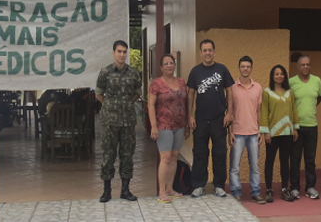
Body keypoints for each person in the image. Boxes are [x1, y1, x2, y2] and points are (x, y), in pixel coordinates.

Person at [187, 39, 235, 198]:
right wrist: (190, 115)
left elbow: (230, 91)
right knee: (199, 153)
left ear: (214, 52)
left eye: (210, 50)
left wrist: (229, 113)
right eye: (204, 50)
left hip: (219, 119)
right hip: (200, 120)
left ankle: (219, 185)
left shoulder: (222, 69)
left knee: (220, 154)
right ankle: (198, 186)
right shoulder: (195, 72)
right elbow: (191, 94)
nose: (207, 53)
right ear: (200, 53)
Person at [95, 40, 142, 203]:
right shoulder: (105, 72)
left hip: (128, 120)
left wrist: (125, 103)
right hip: (110, 121)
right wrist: (111, 106)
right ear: (113, 52)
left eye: (124, 52)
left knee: (127, 155)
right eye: (119, 51)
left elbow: (137, 93)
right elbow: (99, 95)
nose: (122, 55)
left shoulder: (133, 73)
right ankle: (106, 191)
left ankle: (125, 190)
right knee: (108, 154)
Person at [148, 54, 190, 203]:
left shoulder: (181, 82)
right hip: (163, 125)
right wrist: (153, 126)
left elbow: (186, 103)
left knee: (174, 157)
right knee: (165, 158)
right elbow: (151, 105)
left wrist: (186, 123)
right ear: (161, 67)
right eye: (166, 64)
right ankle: (162, 191)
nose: (169, 66)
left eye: (171, 63)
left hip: (178, 126)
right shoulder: (156, 84)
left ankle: (171, 188)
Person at [228, 56, 266, 204]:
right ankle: (236, 192)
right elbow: (229, 110)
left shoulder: (258, 88)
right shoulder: (232, 87)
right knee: (234, 166)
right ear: (239, 68)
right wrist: (229, 131)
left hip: (253, 133)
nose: (245, 69)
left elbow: (259, 111)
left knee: (255, 166)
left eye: (248, 66)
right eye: (243, 66)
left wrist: (260, 131)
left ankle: (256, 192)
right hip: (237, 132)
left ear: (251, 68)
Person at [260, 64, 300, 203]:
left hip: (287, 132)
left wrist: (295, 128)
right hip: (272, 133)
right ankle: (269, 189)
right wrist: (265, 132)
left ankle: (284, 189)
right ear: (272, 76)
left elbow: (293, 109)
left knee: (284, 161)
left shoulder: (289, 92)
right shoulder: (267, 92)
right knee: (270, 161)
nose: (279, 76)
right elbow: (264, 112)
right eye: (276, 74)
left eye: (281, 74)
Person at [288, 55, 321, 200]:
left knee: (310, 159)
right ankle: (294, 188)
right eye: (303, 65)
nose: (305, 67)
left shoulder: (317, 81)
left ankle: (310, 187)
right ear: (298, 67)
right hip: (296, 127)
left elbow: (319, 97)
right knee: (295, 159)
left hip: (312, 126)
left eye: (308, 64)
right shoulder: (291, 82)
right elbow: (288, 103)